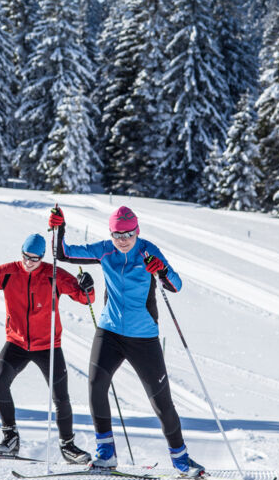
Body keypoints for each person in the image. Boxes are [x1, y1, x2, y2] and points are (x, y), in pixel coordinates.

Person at [48, 205, 206, 478]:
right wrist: (58, 228)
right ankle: (106, 454)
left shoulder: (148, 251)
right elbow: (63, 253)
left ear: (137, 232)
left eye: (128, 234)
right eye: (117, 234)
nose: (122, 240)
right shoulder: (105, 250)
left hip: (143, 337)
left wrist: (162, 271)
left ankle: (182, 460)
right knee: (96, 384)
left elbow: (176, 285)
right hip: (109, 331)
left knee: (161, 402)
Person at [0, 233, 95, 464]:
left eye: (35, 258)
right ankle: (10, 438)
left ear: (42, 257)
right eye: (26, 256)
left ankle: (68, 446)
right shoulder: (8, 272)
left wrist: (87, 287)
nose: (29, 262)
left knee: (60, 397)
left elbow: (85, 299)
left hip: (48, 346)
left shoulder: (53, 276)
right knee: (0, 382)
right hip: (17, 343)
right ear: (21, 252)